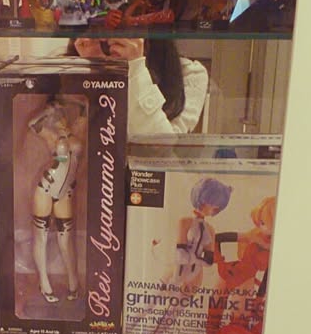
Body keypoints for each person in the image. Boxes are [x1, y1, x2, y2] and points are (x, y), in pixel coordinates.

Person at [71, 37, 208, 140]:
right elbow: (69, 146)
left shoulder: (189, 74)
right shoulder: (75, 57)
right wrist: (98, 70)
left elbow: (162, 151)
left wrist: (135, 70)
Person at [28, 96, 87, 303]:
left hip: (65, 192)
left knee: (66, 239)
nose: (60, 116)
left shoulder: (76, 130)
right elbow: (32, 124)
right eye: (57, 114)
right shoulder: (51, 135)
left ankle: (74, 283)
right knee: (41, 236)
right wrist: (48, 110)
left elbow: (86, 107)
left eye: (62, 113)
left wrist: (68, 101)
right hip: (46, 188)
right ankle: (44, 283)